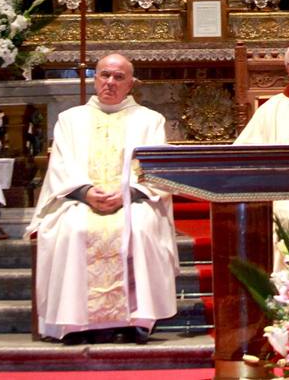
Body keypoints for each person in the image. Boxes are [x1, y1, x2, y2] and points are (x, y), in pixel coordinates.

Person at [26, 54, 178, 344]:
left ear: (131, 83)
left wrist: (127, 192)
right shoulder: (70, 120)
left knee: (142, 228)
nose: (110, 82)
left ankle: (138, 320)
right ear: (94, 79)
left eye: (119, 77)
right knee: (73, 229)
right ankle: (75, 323)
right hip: (81, 199)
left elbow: (156, 169)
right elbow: (61, 166)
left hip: (133, 198)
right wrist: (85, 192)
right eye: (104, 75)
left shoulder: (150, 120)